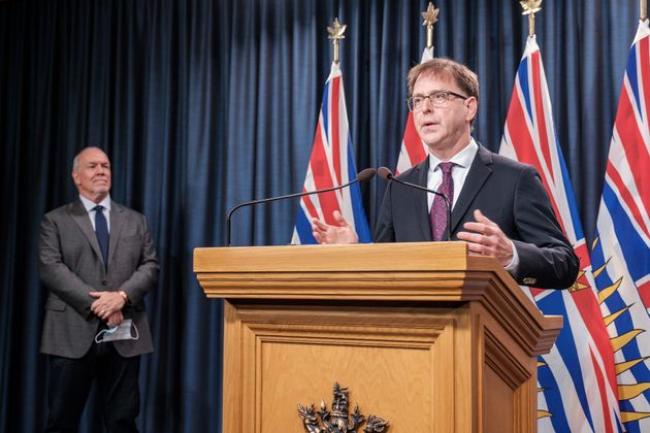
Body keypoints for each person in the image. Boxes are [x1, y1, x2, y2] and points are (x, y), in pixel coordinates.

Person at [312, 58, 578, 289]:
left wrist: (511, 254)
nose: (425, 108)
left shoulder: (515, 179)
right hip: (417, 336)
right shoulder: (400, 186)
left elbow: (565, 264)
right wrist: (352, 253)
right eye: (417, 100)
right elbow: (387, 266)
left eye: (439, 97)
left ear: (469, 108)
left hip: (484, 336)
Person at [39, 147, 158, 432]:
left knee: (122, 420)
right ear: (76, 176)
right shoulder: (55, 220)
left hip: (125, 334)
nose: (101, 171)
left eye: (106, 166)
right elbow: (50, 267)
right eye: (92, 166)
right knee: (61, 421)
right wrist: (99, 304)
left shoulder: (136, 220)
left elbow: (150, 266)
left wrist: (121, 297)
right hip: (71, 332)